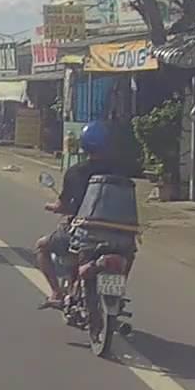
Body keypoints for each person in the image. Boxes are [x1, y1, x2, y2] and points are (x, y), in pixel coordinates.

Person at [35, 120, 117, 307]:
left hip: (84, 234)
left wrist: (52, 207)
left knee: (41, 247)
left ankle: (56, 293)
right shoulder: (120, 171)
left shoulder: (75, 172)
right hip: (118, 234)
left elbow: (62, 205)